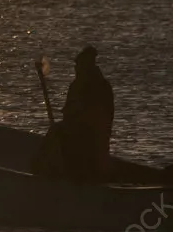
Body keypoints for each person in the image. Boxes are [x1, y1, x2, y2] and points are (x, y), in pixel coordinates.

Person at [32, 45, 115, 182]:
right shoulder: (80, 85)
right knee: (57, 133)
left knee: (56, 132)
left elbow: (87, 119)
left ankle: (39, 173)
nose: (76, 69)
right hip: (83, 140)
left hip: (90, 145)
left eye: (78, 66)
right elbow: (69, 115)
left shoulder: (96, 87)